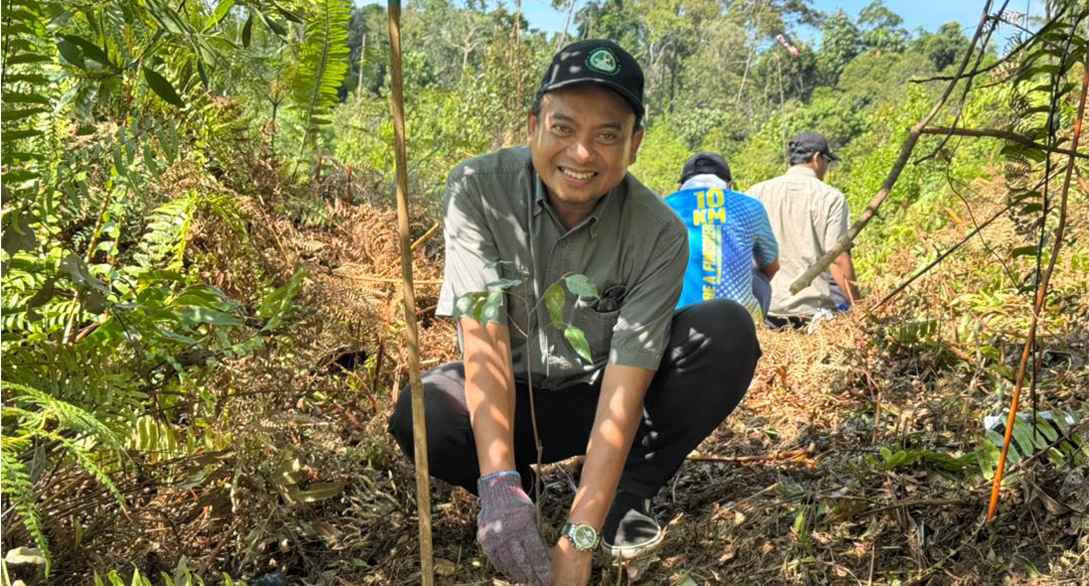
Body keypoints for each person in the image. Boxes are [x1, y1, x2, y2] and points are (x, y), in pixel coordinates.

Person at [387, 40, 761, 586]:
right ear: (534, 124)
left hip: (600, 394)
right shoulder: (478, 191)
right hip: (512, 399)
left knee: (724, 330)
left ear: (634, 145)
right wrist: (499, 487)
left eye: (607, 134)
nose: (582, 154)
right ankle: (523, 497)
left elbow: (624, 389)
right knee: (424, 414)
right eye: (563, 128)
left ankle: (623, 496)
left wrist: (579, 537)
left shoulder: (658, 233)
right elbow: (484, 342)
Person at [747, 132, 862, 329]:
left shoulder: (756, 193)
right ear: (817, 158)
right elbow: (836, 258)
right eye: (827, 161)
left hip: (765, 310)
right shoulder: (831, 197)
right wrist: (860, 308)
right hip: (813, 314)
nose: (827, 168)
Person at [664, 153, 779, 322]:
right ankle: (756, 325)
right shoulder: (751, 206)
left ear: (680, 187)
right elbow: (771, 266)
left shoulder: (664, 206)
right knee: (758, 275)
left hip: (677, 320)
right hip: (736, 320)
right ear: (729, 185)